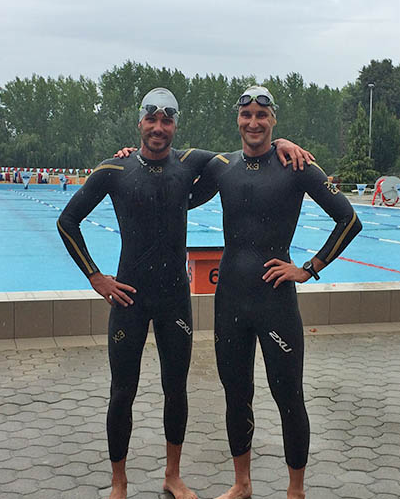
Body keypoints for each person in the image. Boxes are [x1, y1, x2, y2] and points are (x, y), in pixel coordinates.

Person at [57, 87, 312, 499]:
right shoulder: (113, 171)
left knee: (176, 390)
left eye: (167, 120)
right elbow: (68, 221)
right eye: (152, 120)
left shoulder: (192, 163)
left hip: (175, 298)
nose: (159, 128)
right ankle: (118, 482)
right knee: (122, 391)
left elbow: (246, 154)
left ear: (175, 125)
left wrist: (280, 142)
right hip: (129, 300)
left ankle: (172, 476)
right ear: (140, 122)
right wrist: (95, 277)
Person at [188, 86, 362, 499]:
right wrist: (130, 158)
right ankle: (241, 484)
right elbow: (173, 181)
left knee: (290, 397)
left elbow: (349, 220)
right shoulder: (222, 167)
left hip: (275, 302)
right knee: (236, 395)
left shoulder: (296, 167)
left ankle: (295, 491)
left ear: (273, 120)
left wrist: (308, 269)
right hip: (229, 298)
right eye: (246, 114)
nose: (253, 122)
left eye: (261, 116)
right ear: (238, 120)